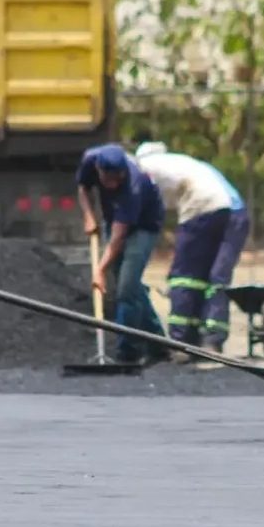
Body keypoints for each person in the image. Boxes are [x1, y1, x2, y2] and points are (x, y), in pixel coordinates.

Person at [134, 142, 249, 356]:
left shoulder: (143, 166)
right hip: (237, 214)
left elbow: (146, 209)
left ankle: (181, 342)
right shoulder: (191, 165)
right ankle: (212, 341)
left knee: (185, 278)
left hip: (203, 208)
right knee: (217, 278)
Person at [76, 143, 166, 364]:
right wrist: (88, 215)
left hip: (144, 226)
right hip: (113, 219)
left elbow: (118, 238)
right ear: (98, 169)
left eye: (118, 179)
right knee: (131, 287)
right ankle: (159, 345)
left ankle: (128, 351)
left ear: (123, 172)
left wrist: (100, 270)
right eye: (108, 180)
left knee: (126, 289)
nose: (113, 184)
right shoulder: (90, 159)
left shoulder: (134, 186)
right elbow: (83, 188)